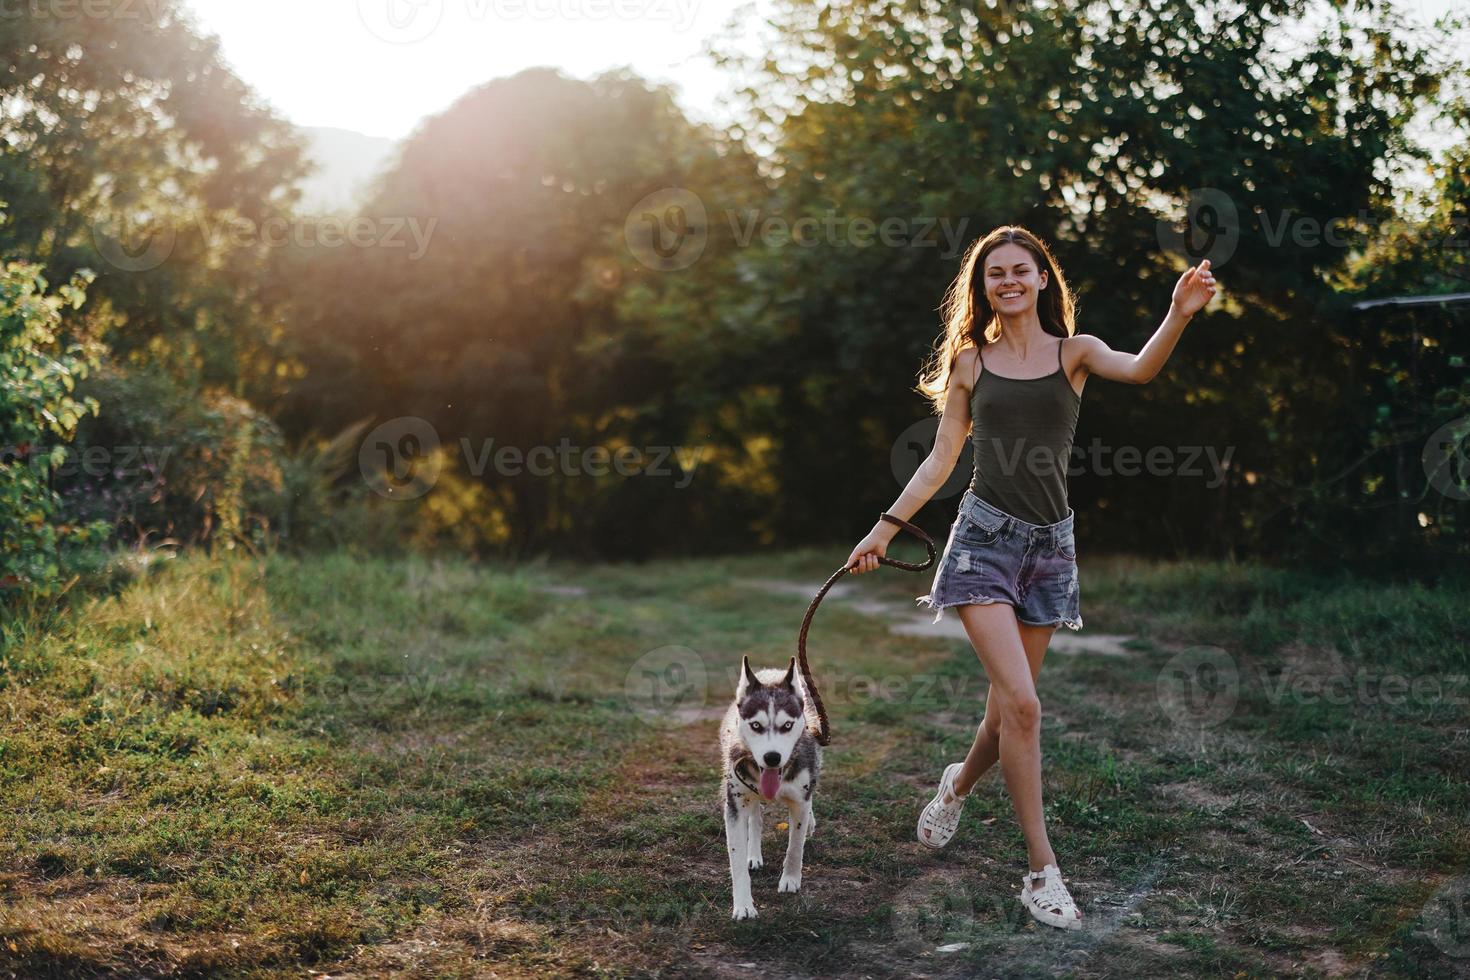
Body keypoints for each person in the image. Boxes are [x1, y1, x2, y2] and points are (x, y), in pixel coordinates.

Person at [844, 225, 1218, 930]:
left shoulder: (1073, 353)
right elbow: (940, 459)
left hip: (1050, 548)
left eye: (1020, 270)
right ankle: (1041, 872)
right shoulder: (970, 363)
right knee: (1025, 709)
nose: (1007, 281)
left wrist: (1178, 313)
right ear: (982, 288)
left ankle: (956, 785)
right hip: (983, 541)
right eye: (994, 274)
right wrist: (884, 526)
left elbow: (1139, 370)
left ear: (1044, 279)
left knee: (1003, 716)